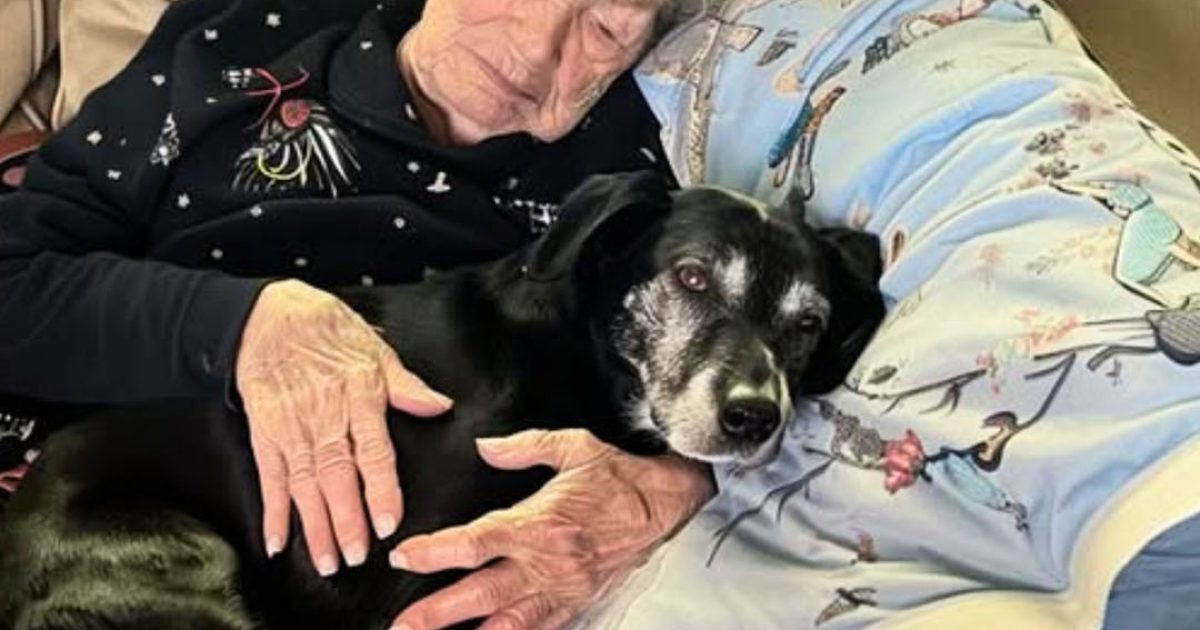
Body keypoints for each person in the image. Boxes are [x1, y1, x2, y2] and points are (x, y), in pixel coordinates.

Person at [0, 1, 717, 629]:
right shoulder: (244, 35)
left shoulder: (645, 183)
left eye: (605, 27)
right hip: (86, 517)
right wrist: (237, 326)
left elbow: (731, 373)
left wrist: (676, 489)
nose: (535, 50)